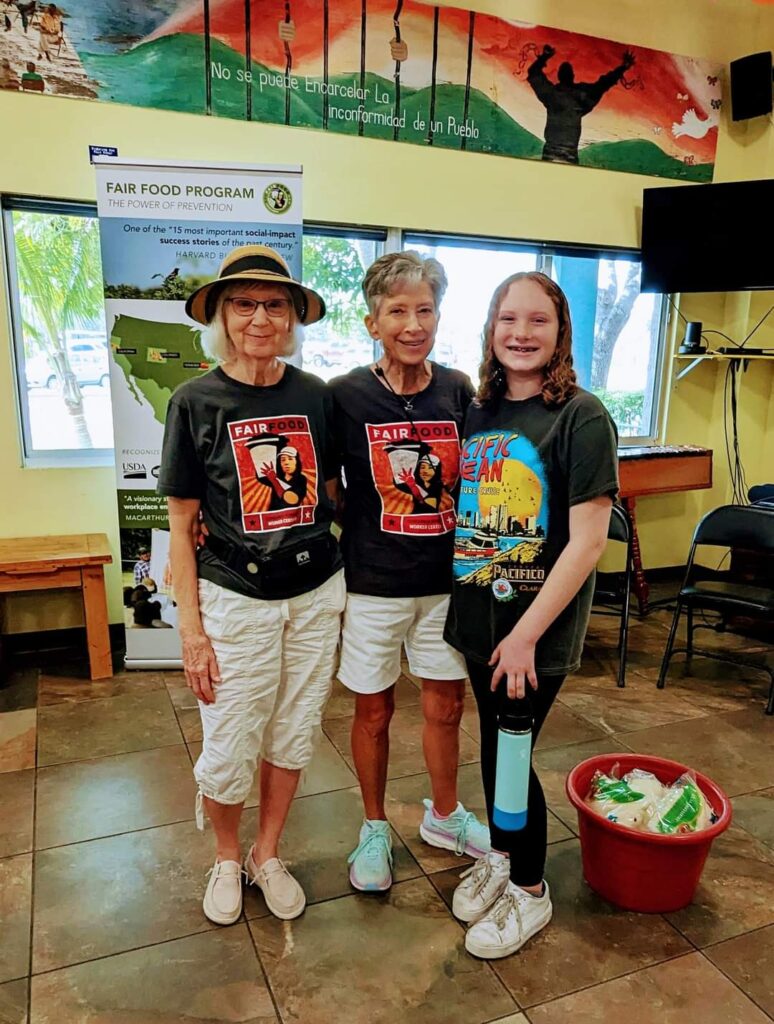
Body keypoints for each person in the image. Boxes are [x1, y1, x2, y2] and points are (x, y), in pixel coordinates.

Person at [157, 244, 345, 927]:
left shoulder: (316, 397)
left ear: (293, 315)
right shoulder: (194, 401)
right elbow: (180, 528)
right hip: (235, 598)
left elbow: (329, 495)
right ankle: (226, 856)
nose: (259, 317)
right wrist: (192, 634)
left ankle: (268, 853)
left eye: (274, 304)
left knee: (294, 730)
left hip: (316, 592)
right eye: (244, 303)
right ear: (222, 315)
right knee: (232, 736)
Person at [444, 271, 618, 959]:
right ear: (491, 329)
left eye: (537, 321)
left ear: (560, 331)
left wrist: (523, 637)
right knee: (493, 751)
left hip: (530, 638)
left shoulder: (581, 415)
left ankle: (530, 888)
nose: (520, 333)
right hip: (477, 624)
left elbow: (588, 542)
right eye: (507, 319)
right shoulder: (481, 410)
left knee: (511, 758)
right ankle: (502, 850)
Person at [332, 251, 490, 893]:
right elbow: (326, 486)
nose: (412, 323)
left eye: (424, 309)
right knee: (373, 712)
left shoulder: (457, 389)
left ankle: (445, 815)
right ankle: (373, 827)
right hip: (372, 583)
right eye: (397, 310)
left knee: (446, 705)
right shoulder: (343, 395)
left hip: (444, 583)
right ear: (373, 321)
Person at [527, 44, 636, 163]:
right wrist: (623, 67)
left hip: (551, 154)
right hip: (570, 156)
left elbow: (533, 73)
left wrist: (545, 56)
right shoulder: (581, 96)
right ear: (573, 76)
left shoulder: (552, 96)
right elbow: (604, 83)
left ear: (558, 76)